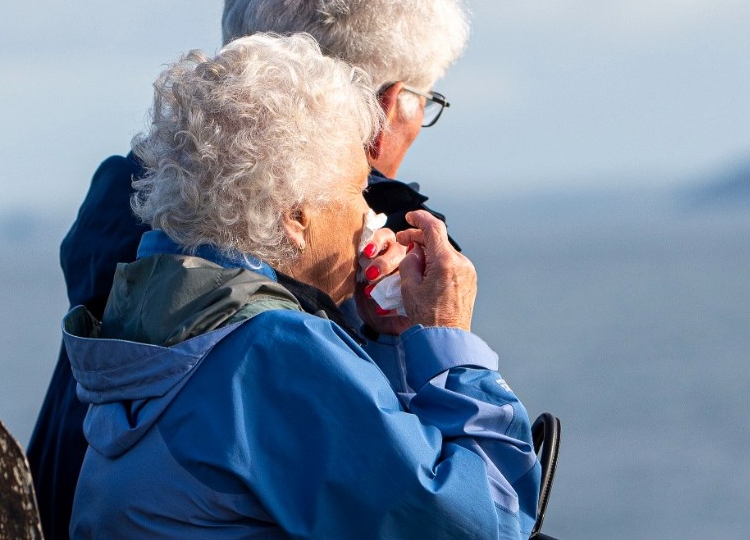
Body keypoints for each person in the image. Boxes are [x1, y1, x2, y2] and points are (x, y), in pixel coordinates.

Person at [65, 33, 540, 539]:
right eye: (359, 190)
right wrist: (448, 339)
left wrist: (390, 338)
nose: (370, 214)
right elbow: (485, 523)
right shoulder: (271, 351)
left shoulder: (160, 319)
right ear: (295, 217)